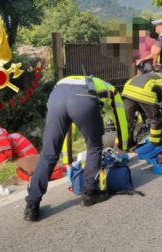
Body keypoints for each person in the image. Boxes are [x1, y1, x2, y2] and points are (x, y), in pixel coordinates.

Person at [24, 75, 107, 222]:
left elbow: (67, 128)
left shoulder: (66, 81)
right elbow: (117, 115)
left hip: (56, 97)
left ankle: (32, 205)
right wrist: (123, 146)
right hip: (83, 97)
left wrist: (67, 159)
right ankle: (90, 193)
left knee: (48, 154)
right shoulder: (106, 87)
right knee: (94, 146)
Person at [60, 76, 129, 165]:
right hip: (110, 137)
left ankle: (100, 155)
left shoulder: (69, 100)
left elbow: (67, 131)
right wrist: (122, 148)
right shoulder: (111, 93)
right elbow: (122, 123)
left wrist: (67, 162)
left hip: (103, 137)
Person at [122, 63, 162, 147]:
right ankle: (154, 145)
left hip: (128, 89)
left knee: (125, 122)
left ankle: (121, 146)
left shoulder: (158, 74)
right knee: (155, 120)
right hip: (144, 91)